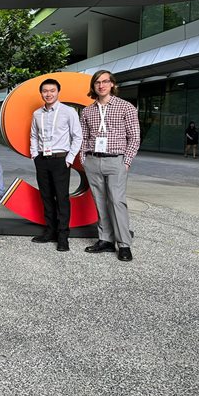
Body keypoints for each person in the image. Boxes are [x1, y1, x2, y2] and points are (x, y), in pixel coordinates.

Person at [80, 70, 140, 262]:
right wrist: (83, 159)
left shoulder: (126, 107)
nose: (101, 85)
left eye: (105, 81)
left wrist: (127, 161)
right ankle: (105, 240)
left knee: (117, 201)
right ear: (93, 86)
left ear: (112, 84)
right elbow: (83, 137)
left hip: (116, 160)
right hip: (93, 160)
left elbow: (134, 137)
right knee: (99, 201)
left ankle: (124, 244)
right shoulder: (87, 111)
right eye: (97, 82)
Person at [29, 78, 83, 252]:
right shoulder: (37, 114)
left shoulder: (68, 112)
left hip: (61, 159)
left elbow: (78, 136)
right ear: (41, 93)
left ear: (58, 92)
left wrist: (69, 159)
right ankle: (49, 231)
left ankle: (63, 236)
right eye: (45, 91)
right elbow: (33, 136)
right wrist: (34, 155)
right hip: (42, 160)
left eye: (52, 90)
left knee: (61, 198)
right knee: (46, 196)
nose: (48, 94)